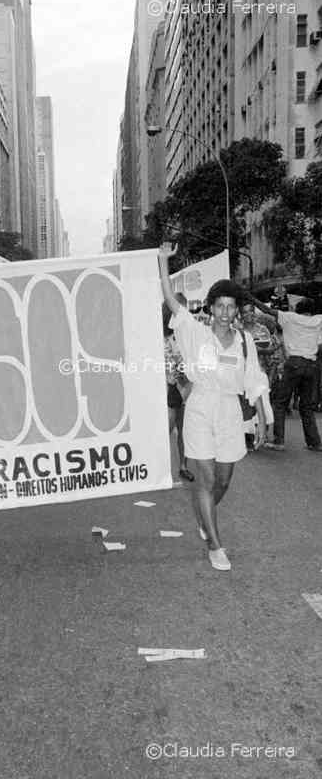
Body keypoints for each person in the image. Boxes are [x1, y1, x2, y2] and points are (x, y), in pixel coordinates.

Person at [159, 243, 267, 571]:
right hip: (200, 408)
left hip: (231, 413)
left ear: (236, 311)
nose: (224, 312)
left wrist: (262, 418)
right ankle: (215, 545)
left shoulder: (245, 342)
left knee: (223, 481)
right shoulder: (195, 332)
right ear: (210, 308)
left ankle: (206, 516)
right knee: (205, 480)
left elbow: (254, 379)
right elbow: (170, 300)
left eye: (230, 307)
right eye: (219, 306)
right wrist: (164, 262)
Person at [247, 294, 322, 451]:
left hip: (294, 364)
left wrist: (250, 298)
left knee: (280, 403)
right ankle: (314, 442)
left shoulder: (289, 317)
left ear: (298, 309)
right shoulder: (318, 320)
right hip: (312, 365)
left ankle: (279, 441)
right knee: (306, 407)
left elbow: (265, 309)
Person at [163, 298, 194, 482]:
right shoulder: (160, 335)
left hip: (188, 387)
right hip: (169, 388)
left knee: (185, 431)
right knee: (167, 428)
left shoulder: (188, 334)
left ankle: (183, 466)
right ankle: (159, 467)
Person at [238, 301, 275, 449]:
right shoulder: (237, 331)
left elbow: (271, 348)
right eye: (245, 312)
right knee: (246, 404)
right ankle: (248, 436)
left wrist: (254, 349)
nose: (249, 314)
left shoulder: (263, 329)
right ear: (240, 315)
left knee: (263, 403)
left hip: (261, 372)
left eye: (251, 311)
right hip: (243, 374)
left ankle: (262, 433)